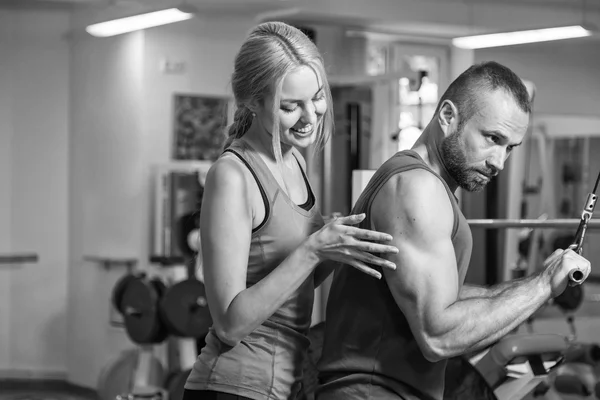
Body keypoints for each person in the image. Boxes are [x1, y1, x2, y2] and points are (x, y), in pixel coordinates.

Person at [316, 61, 592, 400]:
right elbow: (438, 335)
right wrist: (542, 285)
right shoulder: (418, 187)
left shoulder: (429, 187)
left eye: (510, 147)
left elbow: (445, 299)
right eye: (493, 138)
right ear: (447, 116)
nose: (499, 162)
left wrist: (540, 283)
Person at [183, 21, 399, 400]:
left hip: (288, 383)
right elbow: (231, 324)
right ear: (253, 101)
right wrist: (314, 249)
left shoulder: (294, 160)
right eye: (290, 106)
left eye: (316, 98)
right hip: (235, 386)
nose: (311, 117)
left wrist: (339, 247)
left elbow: (284, 289)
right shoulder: (233, 175)